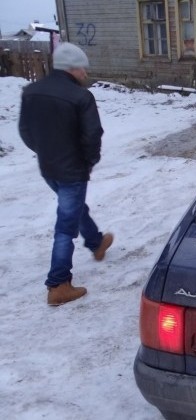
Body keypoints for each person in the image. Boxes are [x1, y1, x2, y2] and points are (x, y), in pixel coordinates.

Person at [19, 42, 113, 306]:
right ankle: (58, 284)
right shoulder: (81, 96)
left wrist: (45, 151)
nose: (85, 73)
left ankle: (96, 243)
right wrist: (88, 162)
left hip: (48, 167)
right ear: (72, 68)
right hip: (72, 170)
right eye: (83, 68)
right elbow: (93, 135)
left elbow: (25, 132)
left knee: (72, 208)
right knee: (65, 227)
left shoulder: (31, 91)